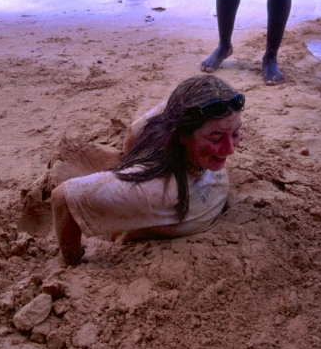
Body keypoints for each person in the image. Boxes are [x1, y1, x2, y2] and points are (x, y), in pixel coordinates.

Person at [51, 75, 245, 265]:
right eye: (216, 139)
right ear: (183, 135)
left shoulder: (195, 121)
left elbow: (137, 128)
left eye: (235, 133)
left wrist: (128, 157)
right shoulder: (156, 189)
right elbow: (62, 198)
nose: (230, 149)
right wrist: (71, 257)